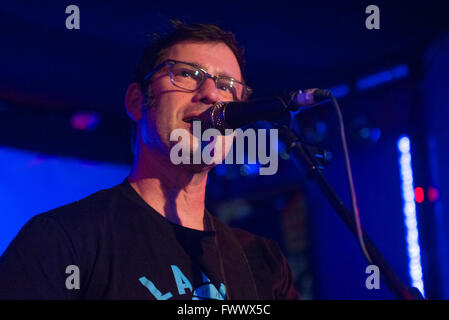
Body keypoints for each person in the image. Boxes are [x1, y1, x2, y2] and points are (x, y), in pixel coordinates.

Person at [0, 20, 300, 300]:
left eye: (226, 85)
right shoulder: (62, 240)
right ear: (136, 101)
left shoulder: (262, 262)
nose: (211, 93)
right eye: (186, 73)